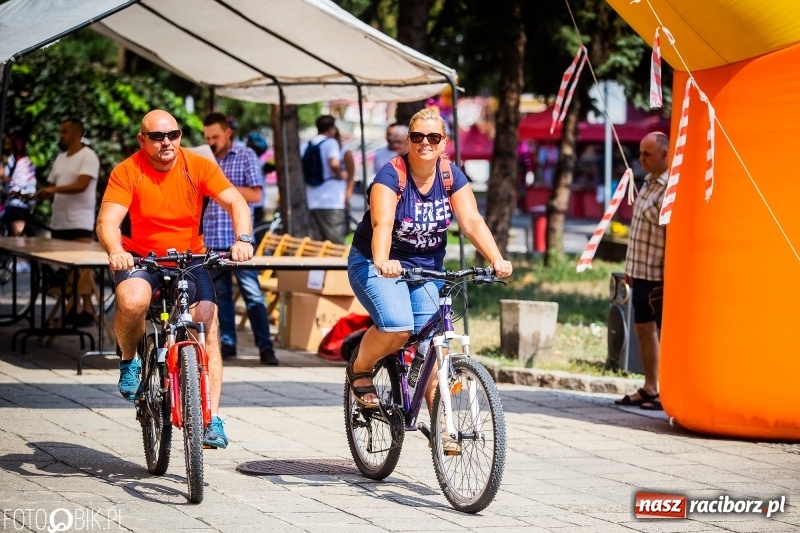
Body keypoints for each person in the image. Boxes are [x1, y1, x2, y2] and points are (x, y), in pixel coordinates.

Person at [346, 108, 513, 450]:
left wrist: (496, 259)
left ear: (444, 143)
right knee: (397, 326)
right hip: (375, 261)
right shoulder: (391, 175)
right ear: (408, 140)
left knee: (434, 346)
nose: (425, 143)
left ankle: (444, 426)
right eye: (418, 137)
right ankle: (360, 369)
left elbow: (472, 222)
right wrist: (382, 260)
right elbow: (383, 225)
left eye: (433, 137)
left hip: (427, 267)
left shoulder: (450, 176)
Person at [96, 109, 254, 449]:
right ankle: (129, 360)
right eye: (157, 136)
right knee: (132, 300)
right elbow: (108, 222)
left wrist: (243, 239)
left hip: (188, 257)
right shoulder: (127, 170)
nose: (166, 142)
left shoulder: (197, 165)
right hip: (141, 257)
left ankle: (210, 417)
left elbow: (236, 201)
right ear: (143, 140)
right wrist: (115, 249)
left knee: (207, 320)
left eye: (173, 134)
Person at [202, 112, 278, 366]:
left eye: (215, 136)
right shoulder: (206, 158)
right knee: (220, 295)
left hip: (238, 239)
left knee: (252, 294)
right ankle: (228, 345)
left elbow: (257, 195)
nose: (211, 141)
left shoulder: (245, 155)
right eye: (207, 137)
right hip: (213, 237)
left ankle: (266, 348)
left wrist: (223, 189)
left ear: (227, 133)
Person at [614, 131, 669, 411]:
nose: (641, 159)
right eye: (640, 153)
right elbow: (639, 232)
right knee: (643, 331)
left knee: (662, 332)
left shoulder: (670, 186)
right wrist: (629, 269)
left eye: (647, 154)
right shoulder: (648, 182)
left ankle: (666, 392)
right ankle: (650, 387)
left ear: (665, 155)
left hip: (659, 274)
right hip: (640, 270)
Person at [37, 118, 101, 327]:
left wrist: (53, 190)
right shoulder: (60, 159)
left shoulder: (88, 156)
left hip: (79, 221)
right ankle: (81, 312)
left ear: (76, 133)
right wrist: (41, 194)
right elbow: (51, 184)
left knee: (80, 273)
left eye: (64, 132)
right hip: (59, 221)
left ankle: (79, 312)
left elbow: (81, 185)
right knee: (66, 273)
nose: (61, 136)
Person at [302, 115, 350, 244]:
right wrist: (341, 175)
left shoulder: (307, 143)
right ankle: (338, 265)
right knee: (336, 242)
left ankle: (319, 265)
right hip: (331, 200)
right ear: (332, 128)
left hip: (312, 199)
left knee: (317, 243)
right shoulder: (330, 142)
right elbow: (333, 162)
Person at [1, 134, 38, 237]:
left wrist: (2, 174)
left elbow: (7, 179)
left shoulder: (12, 160)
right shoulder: (29, 161)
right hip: (27, 201)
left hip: (16, 201)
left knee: (17, 237)